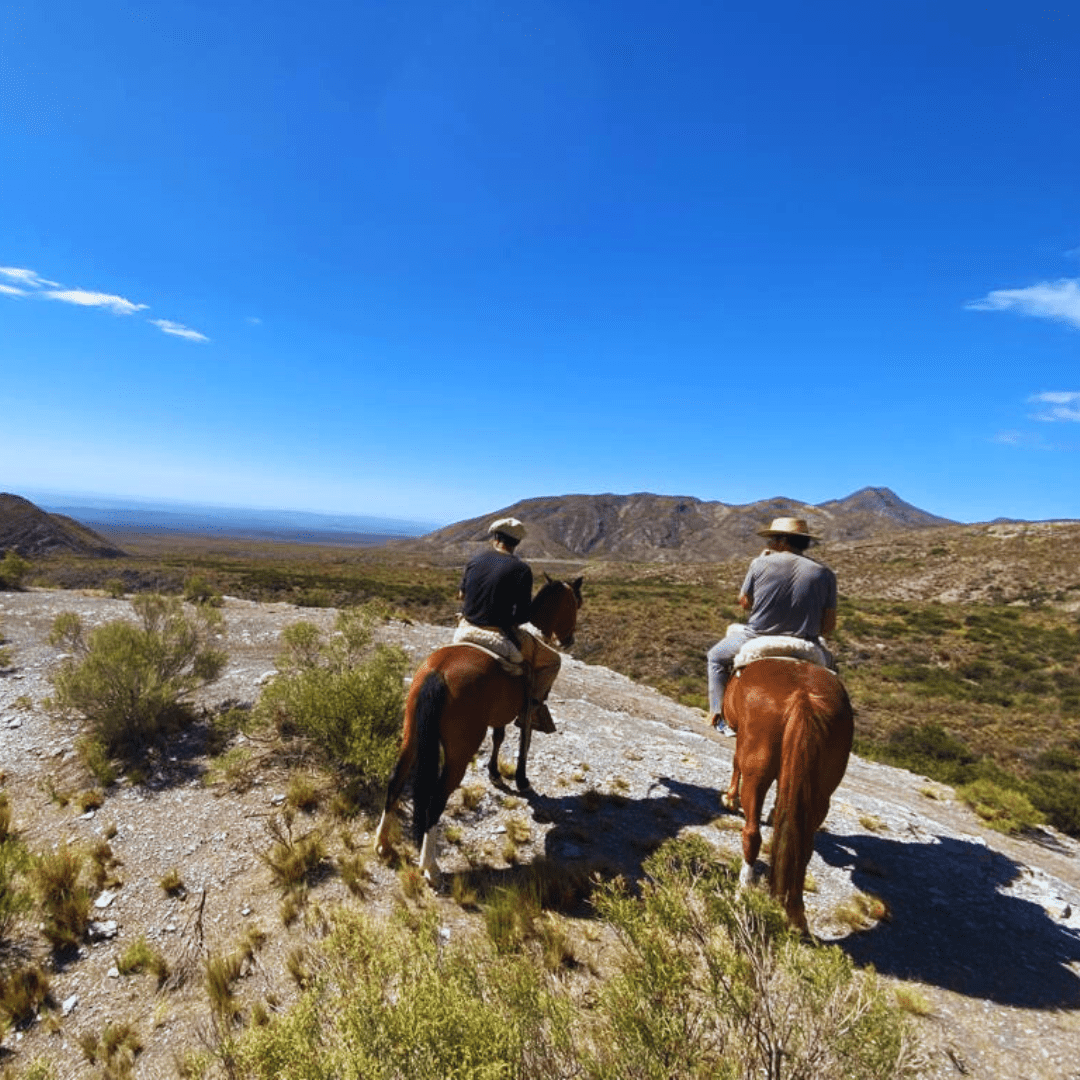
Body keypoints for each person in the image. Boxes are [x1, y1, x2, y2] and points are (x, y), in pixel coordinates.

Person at [706, 517, 837, 735]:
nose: (768, 545)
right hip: (806, 641)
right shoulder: (825, 574)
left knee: (716, 657)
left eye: (771, 540)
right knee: (833, 674)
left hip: (756, 636)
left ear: (782, 541)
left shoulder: (759, 563)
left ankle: (717, 715)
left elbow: (745, 603)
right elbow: (829, 625)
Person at [457, 517, 562, 733]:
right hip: (498, 634)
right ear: (517, 543)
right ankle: (530, 711)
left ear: (495, 538)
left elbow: (461, 595)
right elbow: (523, 616)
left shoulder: (474, 561)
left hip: (465, 629)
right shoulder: (521, 569)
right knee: (553, 661)